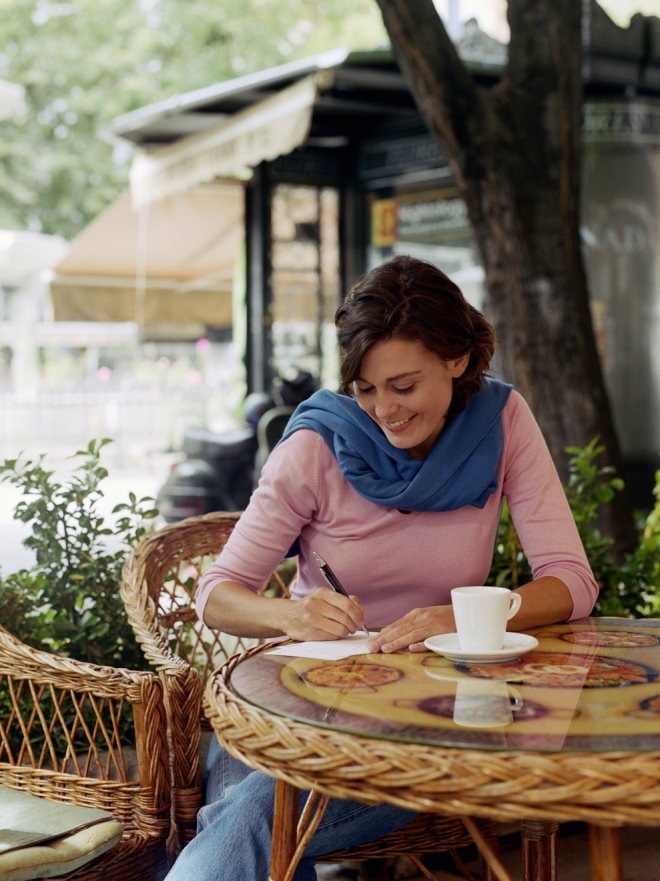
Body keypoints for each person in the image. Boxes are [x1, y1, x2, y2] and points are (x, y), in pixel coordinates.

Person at [166, 255, 598, 881]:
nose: (385, 411)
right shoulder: (316, 443)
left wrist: (460, 620)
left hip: (430, 723)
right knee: (248, 811)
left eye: (403, 386)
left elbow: (572, 583)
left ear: (456, 359)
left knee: (251, 818)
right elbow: (217, 593)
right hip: (298, 703)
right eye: (365, 389)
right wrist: (292, 613)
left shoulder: (501, 424)